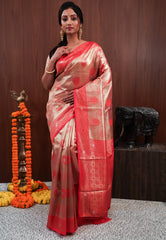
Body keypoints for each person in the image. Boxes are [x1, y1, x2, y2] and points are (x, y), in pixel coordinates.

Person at [41, 1, 114, 236]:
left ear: (80, 22)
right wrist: (52, 61)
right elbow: (45, 84)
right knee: (63, 149)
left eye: (73, 18)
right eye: (65, 19)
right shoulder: (55, 51)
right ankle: (64, 212)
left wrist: (82, 95)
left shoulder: (93, 49)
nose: (69, 22)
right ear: (60, 24)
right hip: (58, 108)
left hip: (84, 106)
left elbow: (106, 76)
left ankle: (83, 210)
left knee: (75, 150)